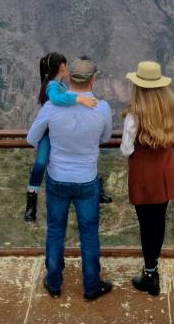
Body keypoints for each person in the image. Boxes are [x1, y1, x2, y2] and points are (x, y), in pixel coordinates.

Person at [27, 57, 114, 301]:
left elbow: (32, 138)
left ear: (69, 77)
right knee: (89, 233)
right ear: (93, 79)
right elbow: (105, 138)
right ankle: (91, 287)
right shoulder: (102, 107)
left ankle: (54, 283)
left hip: (57, 178)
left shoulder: (51, 107)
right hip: (87, 179)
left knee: (55, 230)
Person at [120, 60, 174, 297]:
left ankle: (150, 275)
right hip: (166, 170)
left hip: (143, 175)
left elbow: (126, 149)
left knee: (146, 224)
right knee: (159, 221)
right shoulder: (173, 105)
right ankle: (153, 268)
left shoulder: (134, 115)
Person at [24, 53, 112, 221]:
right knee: (41, 162)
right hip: (49, 134)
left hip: (57, 133)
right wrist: (80, 98)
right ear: (62, 68)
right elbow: (57, 100)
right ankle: (31, 202)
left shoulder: (59, 85)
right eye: (67, 65)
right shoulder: (52, 86)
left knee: (85, 148)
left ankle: (99, 188)